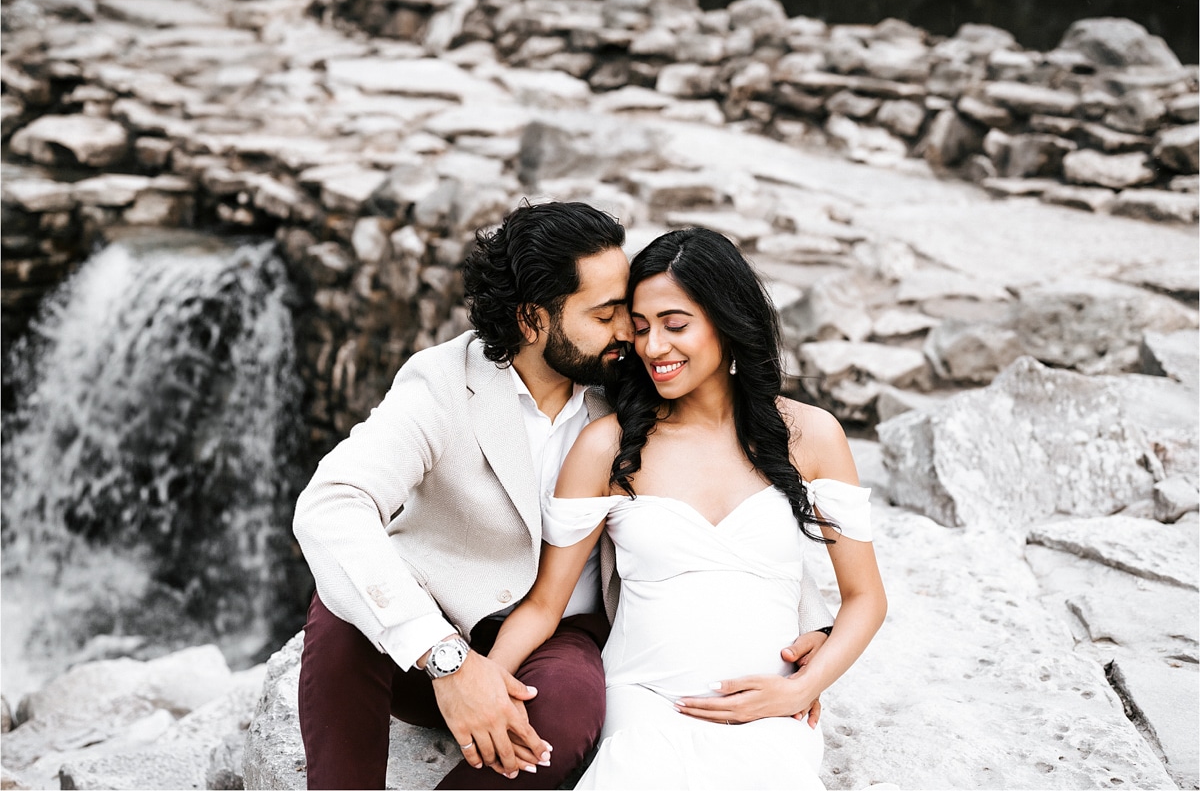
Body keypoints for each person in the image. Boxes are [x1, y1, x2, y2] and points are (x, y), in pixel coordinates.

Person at [291, 205, 836, 790]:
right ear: (532, 320)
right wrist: (444, 658)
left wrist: (813, 638)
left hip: (556, 640)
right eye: (606, 315)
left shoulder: (633, 388)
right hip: (432, 632)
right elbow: (332, 501)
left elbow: (734, 491)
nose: (631, 334)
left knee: (572, 707)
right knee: (342, 615)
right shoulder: (444, 382)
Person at [489, 227, 888, 789]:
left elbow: (865, 598)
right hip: (644, 705)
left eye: (676, 325)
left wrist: (801, 686)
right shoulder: (608, 444)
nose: (654, 347)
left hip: (770, 709)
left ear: (728, 321)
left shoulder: (811, 435)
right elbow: (544, 604)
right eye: (642, 327)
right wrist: (484, 681)